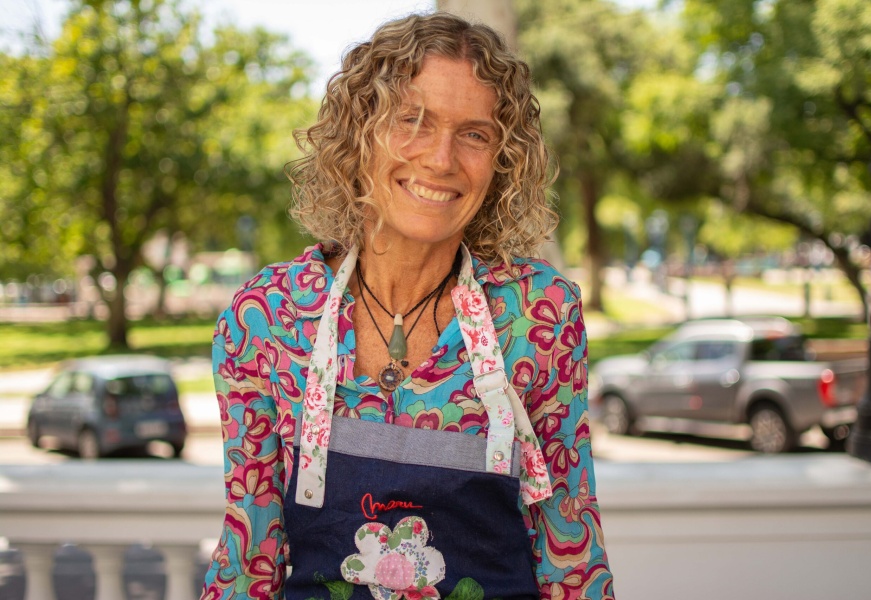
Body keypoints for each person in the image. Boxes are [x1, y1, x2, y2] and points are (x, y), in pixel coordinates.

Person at [201, 11, 614, 600]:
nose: (441, 159)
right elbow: (249, 553)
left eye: (474, 133)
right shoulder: (265, 317)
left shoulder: (538, 316)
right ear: (358, 134)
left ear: (502, 162)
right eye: (411, 120)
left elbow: (571, 549)